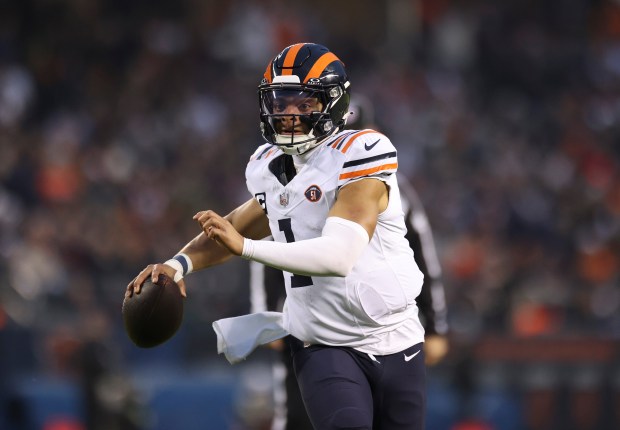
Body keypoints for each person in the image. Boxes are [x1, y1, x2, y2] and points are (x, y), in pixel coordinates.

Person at [128, 42, 427, 429]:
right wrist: (176, 265)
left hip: (398, 338)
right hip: (325, 345)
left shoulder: (361, 152)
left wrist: (248, 249)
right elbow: (230, 227)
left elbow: (339, 256)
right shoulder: (268, 167)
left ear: (333, 103)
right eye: (280, 102)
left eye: (303, 104)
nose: (288, 115)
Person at [249, 96, 450, 430]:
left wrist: (437, 324)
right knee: (298, 419)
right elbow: (273, 242)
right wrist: (266, 308)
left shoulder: (381, 178)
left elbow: (420, 253)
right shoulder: (293, 176)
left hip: (381, 327)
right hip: (312, 325)